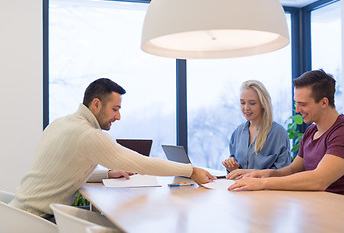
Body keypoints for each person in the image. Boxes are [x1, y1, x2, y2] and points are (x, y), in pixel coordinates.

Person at [10, 78, 215, 220]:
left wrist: (107, 174)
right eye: (115, 109)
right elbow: (143, 163)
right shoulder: (88, 135)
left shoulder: (60, 123)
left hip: (17, 214)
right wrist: (191, 170)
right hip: (39, 221)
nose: (118, 117)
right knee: (120, 222)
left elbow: (61, 170)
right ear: (96, 104)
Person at [227, 70, 344, 198]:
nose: (297, 109)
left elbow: (319, 180)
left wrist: (263, 183)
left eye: (302, 104)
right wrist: (263, 174)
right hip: (317, 209)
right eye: (296, 103)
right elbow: (293, 170)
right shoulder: (311, 132)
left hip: (343, 213)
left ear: (324, 102)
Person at [222, 80, 291, 174]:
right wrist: (233, 168)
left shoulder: (278, 134)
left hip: (268, 188)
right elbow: (236, 172)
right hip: (241, 188)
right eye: (242, 103)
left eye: (252, 103)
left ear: (263, 104)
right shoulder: (237, 133)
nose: (246, 108)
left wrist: (248, 173)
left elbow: (284, 172)